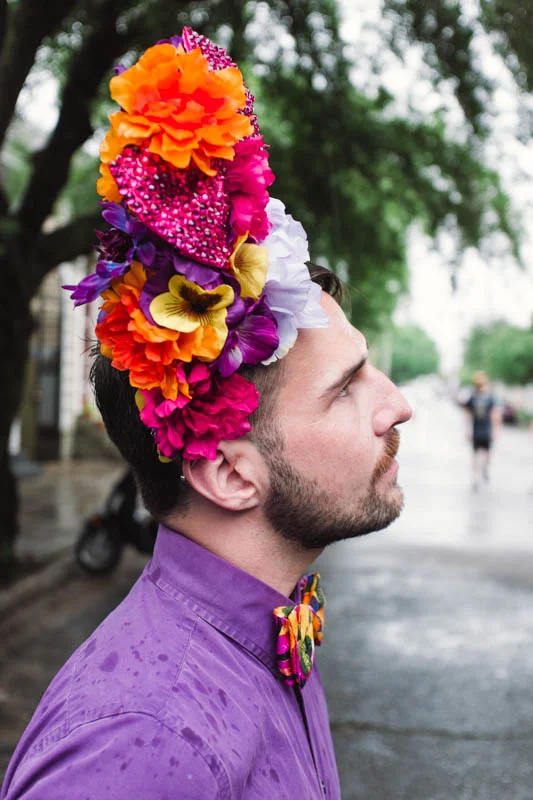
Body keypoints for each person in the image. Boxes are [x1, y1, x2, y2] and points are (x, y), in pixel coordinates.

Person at [1, 27, 412, 799]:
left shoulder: (262, 633)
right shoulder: (145, 741)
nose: (397, 405)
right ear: (228, 472)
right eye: (345, 388)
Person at [464, 371, 500, 490]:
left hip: (487, 430)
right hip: (477, 431)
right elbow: (467, 414)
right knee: (476, 455)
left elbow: (495, 415)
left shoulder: (490, 398)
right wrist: (467, 430)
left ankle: (484, 469)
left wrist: (495, 431)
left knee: (487, 455)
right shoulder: (473, 397)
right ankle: (476, 478)